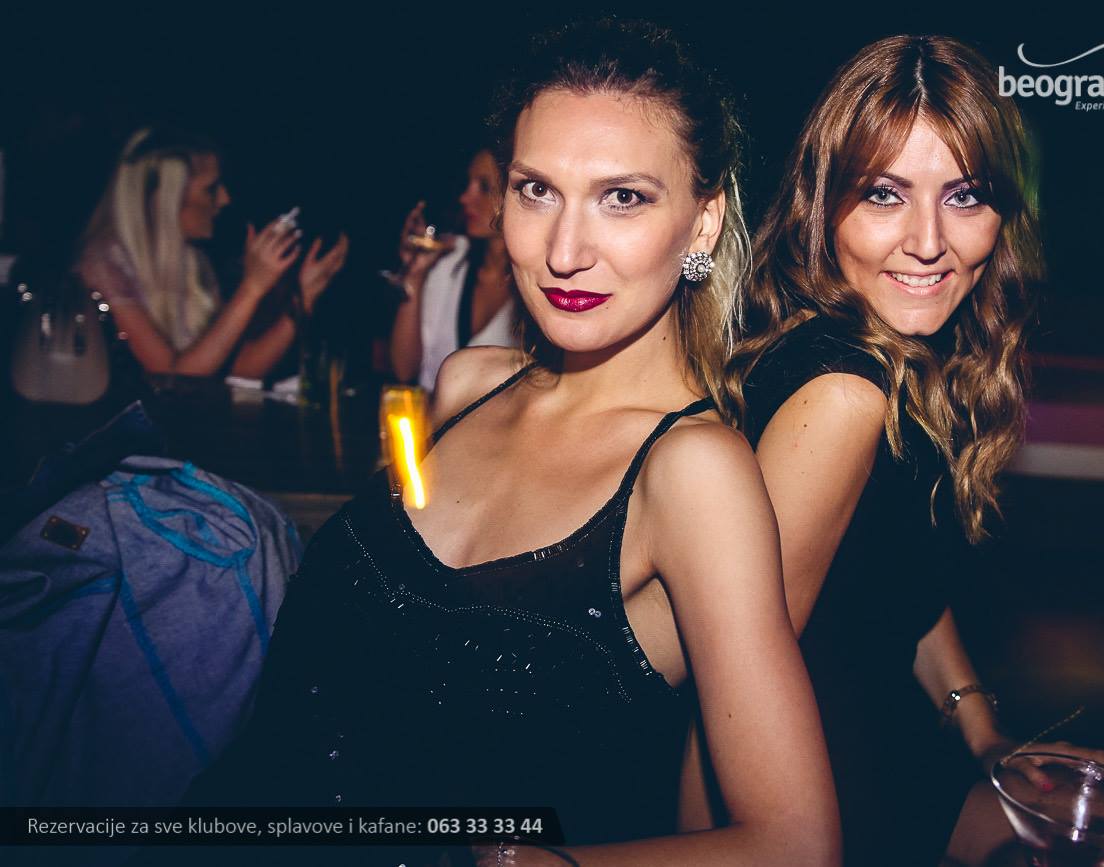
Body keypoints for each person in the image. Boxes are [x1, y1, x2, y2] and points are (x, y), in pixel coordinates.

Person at [181, 20, 839, 867]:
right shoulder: (465, 384)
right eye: (536, 190)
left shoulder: (693, 472)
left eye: (623, 198)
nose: (564, 251)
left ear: (703, 224)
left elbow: (795, 843)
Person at [678, 35, 1104, 865]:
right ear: (823, 204)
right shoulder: (843, 398)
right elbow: (724, 688)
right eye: (884, 194)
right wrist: (717, 850)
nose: (927, 241)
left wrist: (985, 734)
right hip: (829, 783)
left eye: (965, 196)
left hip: (884, 742)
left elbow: (897, 578)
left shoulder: (902, 357)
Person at [76, 127, 349, 379]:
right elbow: (174, 378)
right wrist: (252, 287)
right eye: (211, 189)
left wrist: (303, 299)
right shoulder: (103, 264)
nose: (224, 199)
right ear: (168, 198)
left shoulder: (192, 262)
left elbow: (241, 370)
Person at [388, 147, 517, 390]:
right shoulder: (448, 261)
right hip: (429, 412)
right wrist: (415, 275)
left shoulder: (538, 282)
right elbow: (403, 370)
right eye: (468, 184)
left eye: (484, 187)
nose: (465, 198)